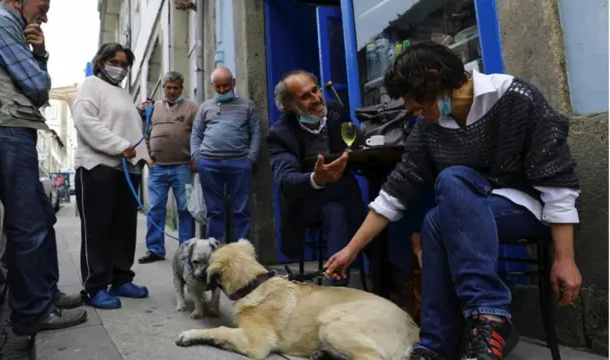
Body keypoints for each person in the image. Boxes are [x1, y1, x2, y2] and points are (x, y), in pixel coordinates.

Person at [325, 42, 583, 360]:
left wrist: (565, 258)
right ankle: (436, 346)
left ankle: (488, 316)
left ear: (435, 79)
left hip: (529, 207)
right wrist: (350, 251)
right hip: (470, 209)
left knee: (450, 180)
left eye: (411, 98)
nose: (408, 109)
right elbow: (395, 192)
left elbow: (557, 181)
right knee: (435, 219)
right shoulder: (428, 129)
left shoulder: (516, 98)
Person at [0, 0, 87, 336]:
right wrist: (38, 57)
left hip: (11, 128)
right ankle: (33, 312)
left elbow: (36, 92)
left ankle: (45, 296)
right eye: (43, 5)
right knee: (27, 226)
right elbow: (37, 87)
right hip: (3, 129)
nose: (45, 16)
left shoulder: (7, 25)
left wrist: (40, 53)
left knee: (39, 219)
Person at [72, 43, 151, 309]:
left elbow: (131, 129)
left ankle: (120, 279)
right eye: (114, 62)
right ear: (101, 61)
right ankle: (94, 287)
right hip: (98, 168)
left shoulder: (124, 94)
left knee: (124, 229)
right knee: (97, 230)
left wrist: (144, 156)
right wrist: (120, 146)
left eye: (124, 64)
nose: (120, 68)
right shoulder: (90, 86)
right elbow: (85, 122)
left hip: (127, 171)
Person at [267, 70, 366, 283]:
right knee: (336, 210)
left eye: (315, 90)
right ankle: (336, 288)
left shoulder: (336, 113)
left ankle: (384, 278)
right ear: (287, 105)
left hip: (346, 195)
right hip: (308, 203)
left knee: (378, 205)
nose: (316, 99)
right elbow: (286, 181)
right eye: (305, 96)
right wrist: (317, 178)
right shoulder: (280, 134)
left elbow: (356, 144)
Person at [190, 67, 262, 242]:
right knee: (214, 211)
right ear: (212, 85)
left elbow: (257, 133)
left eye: (226, 86)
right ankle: (215, 253)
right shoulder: (205, 107)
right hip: (208, 163)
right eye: (218, 86)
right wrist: (197, 158)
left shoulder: (247, 105)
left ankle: (241, 253)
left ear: (234, 83)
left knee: (241, 210)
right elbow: (196, 134)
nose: (222, 90)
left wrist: (250, 159)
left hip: (239, 164)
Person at [138, 71, 198, 264]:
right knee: (155, 208)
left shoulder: (191, 108)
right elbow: (145, 134)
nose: (171, 91)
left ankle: (186, 250)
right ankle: (155, 249)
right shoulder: (152, 108)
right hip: (157, 169)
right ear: (163, 88)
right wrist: (149, 159)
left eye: (175, 88)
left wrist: (194, 159)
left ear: (182, 88)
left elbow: (198, 135)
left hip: (183, 168)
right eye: (168, 87)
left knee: (185, 209)